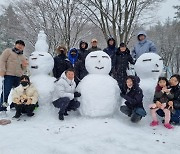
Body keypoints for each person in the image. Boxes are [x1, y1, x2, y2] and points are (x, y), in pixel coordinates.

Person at [0, 40, 28, 111]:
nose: (20, 46)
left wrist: (25, 66)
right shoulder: (8, 51)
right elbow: (2, 60)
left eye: (22, 45)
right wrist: (2, 70)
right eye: (18, 44)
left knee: (19, 92)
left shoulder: (23, 56)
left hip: (18, 77)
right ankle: (2, 109)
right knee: (6, 92)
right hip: (8, 75)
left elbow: (23, 69)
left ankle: (14, 105)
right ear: (15, 45)